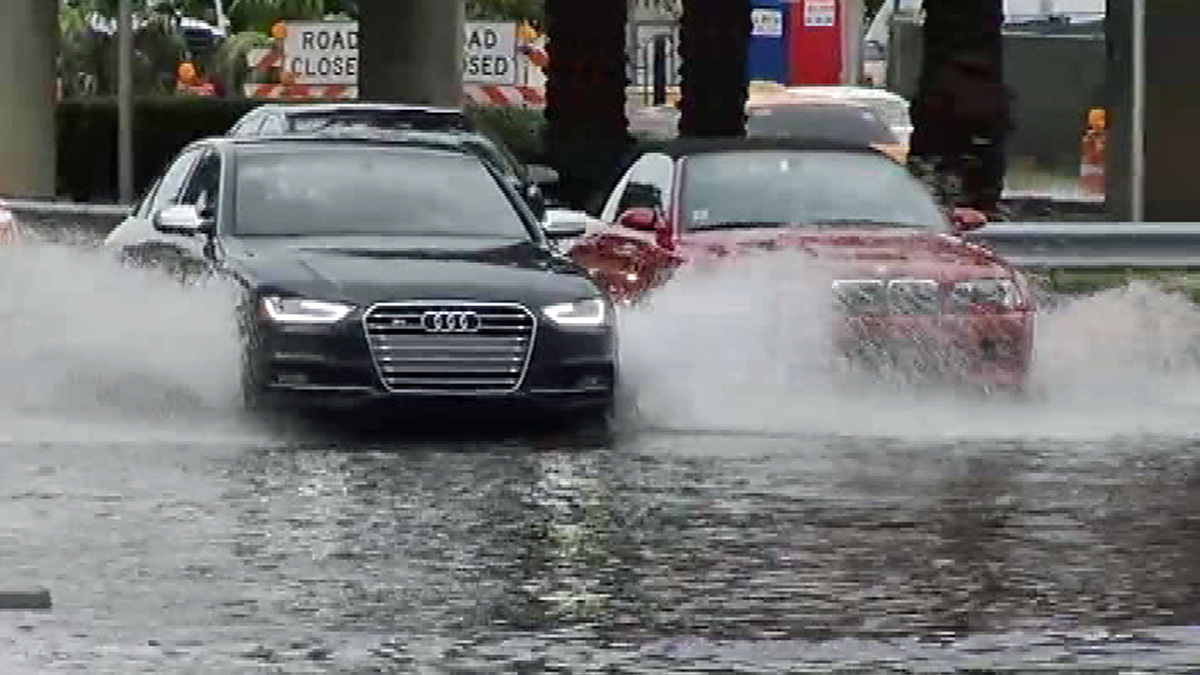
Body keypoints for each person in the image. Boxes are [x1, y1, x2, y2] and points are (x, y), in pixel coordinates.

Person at [908, 51, 1014, 214]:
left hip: (973, 156)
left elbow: (1003, 126)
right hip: (947, 156)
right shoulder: (939, 99)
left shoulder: (990, 97)